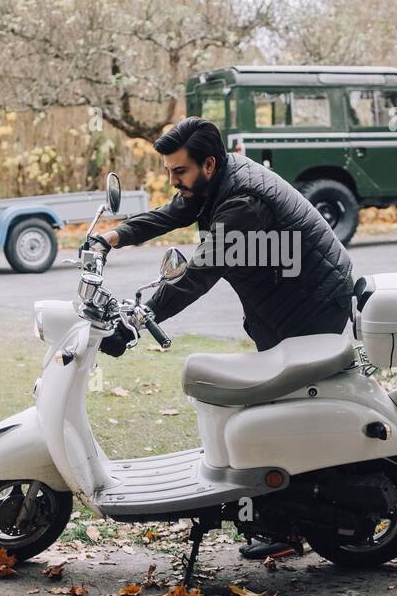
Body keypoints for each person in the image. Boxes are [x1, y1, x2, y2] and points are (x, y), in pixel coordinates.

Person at [93, 116, 355, 558]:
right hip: (286, 298)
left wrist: (138, 320)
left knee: (278, 407)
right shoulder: (218, 181)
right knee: (273, 403)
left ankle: (289, 527)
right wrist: (115, 236)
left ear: (208, 164)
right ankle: (285, 515)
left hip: (309, 303)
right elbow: (177, 211)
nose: (173, 180)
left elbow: (199, 272)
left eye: (180, 172)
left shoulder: (243, 203)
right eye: (170, 171)